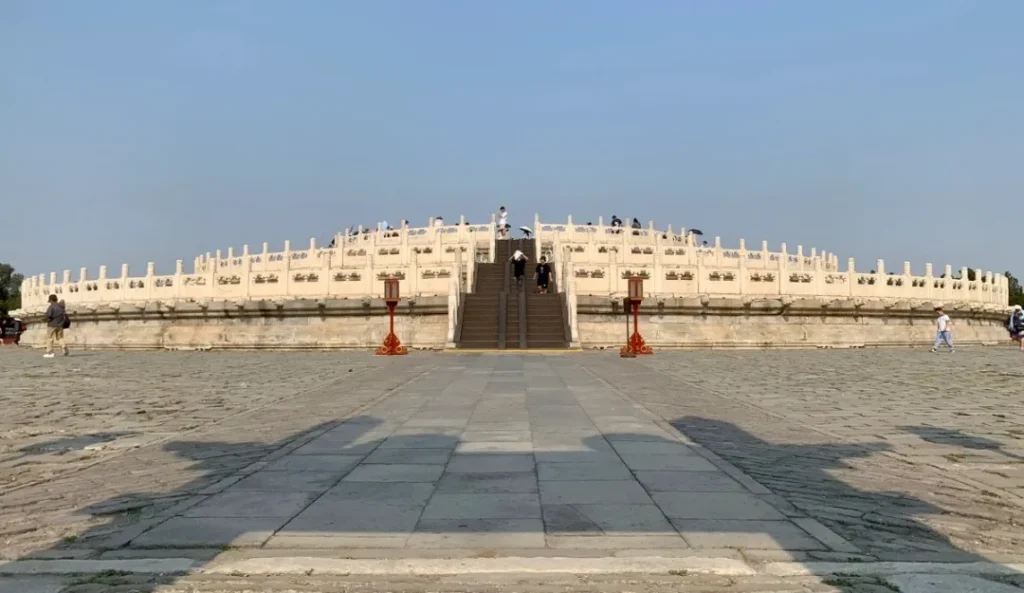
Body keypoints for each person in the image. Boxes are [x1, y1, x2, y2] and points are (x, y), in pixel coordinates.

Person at [44, 294, 69, 358]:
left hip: (52, 324)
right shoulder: (61, 306)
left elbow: (49, 316)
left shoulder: (51, 307)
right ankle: (64, 346)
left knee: (50, 338)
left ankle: (50, 352)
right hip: (60, 324)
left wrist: (45, 319)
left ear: (51, 300)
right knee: (60, 337)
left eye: (50, 301)